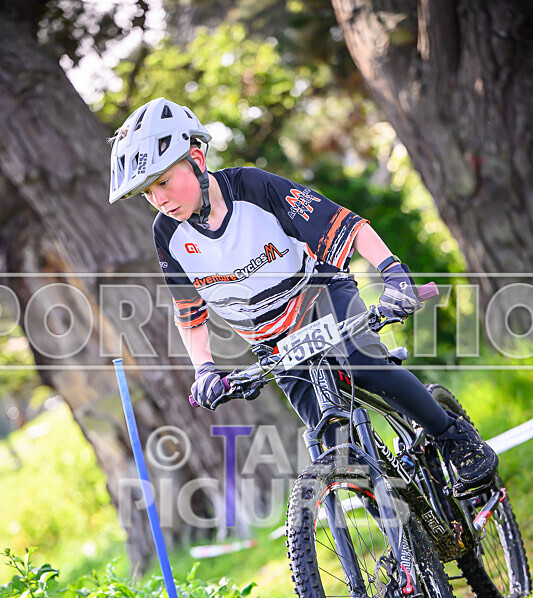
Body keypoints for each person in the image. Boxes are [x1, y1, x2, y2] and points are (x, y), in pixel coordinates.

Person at [108, 97, 498, 492]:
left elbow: (347, 225)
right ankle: (398, 534)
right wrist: (204, 369)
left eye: (162, 182)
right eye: (147, 192)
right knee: (338, 453)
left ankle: (453, 437)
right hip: (273, 341)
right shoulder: (167, 234)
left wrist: (394, 275)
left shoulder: (253, 188)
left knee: (362, 361)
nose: (159, 199)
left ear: (196, 158)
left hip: (322, 297)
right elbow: (190, 313)